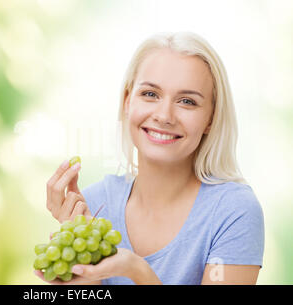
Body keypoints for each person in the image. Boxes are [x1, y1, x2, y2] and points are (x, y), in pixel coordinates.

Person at [36, 31, 264, 285]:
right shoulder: (94, 205)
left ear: (210, 118)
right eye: (150, 94)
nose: (164, 115)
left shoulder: (232, 211)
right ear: (127, 101)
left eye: (187, 101)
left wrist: (136, 270)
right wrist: (86, 268)